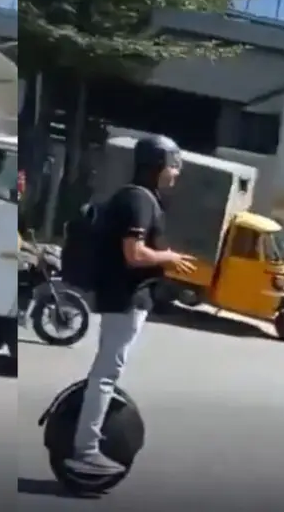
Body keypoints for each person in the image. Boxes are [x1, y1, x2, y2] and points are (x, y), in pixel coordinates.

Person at [64, 134, 196, 475]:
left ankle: (85, 441)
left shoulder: (141, 198)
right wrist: (168, 257)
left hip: (127, 297)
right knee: (106, 374)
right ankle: (85, 449)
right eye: (173, 166)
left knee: (107, 371)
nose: (176, 173)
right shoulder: (137, 200)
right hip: (124, 298)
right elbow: (134, 254)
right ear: (156, 167)